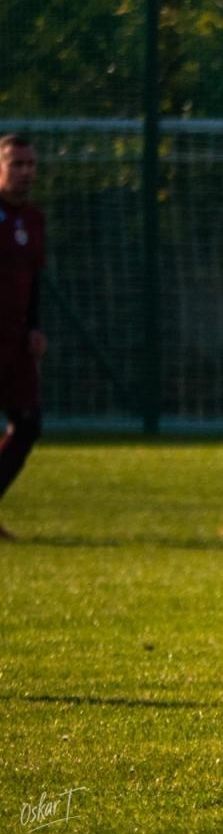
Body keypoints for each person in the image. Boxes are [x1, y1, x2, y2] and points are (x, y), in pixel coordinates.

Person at [0, 134, 46, 541]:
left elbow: (34, 281)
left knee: (28, 424)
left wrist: (34, 326)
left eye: (30, 164)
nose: (25, 172)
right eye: (16, 164)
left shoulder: (33, 220)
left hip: (14, 343)